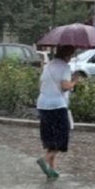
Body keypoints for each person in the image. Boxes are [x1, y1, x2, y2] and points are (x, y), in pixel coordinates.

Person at [35, 45, 78, 179]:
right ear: (67, 55)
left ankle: (51, 169)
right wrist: (74, 82)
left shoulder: (48, 65)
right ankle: (45, 158)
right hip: (57, 106)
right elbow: (65, 86)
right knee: (61, 137)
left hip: (43, 104)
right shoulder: (65, 67)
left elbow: (40, 84)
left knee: (50, 137)